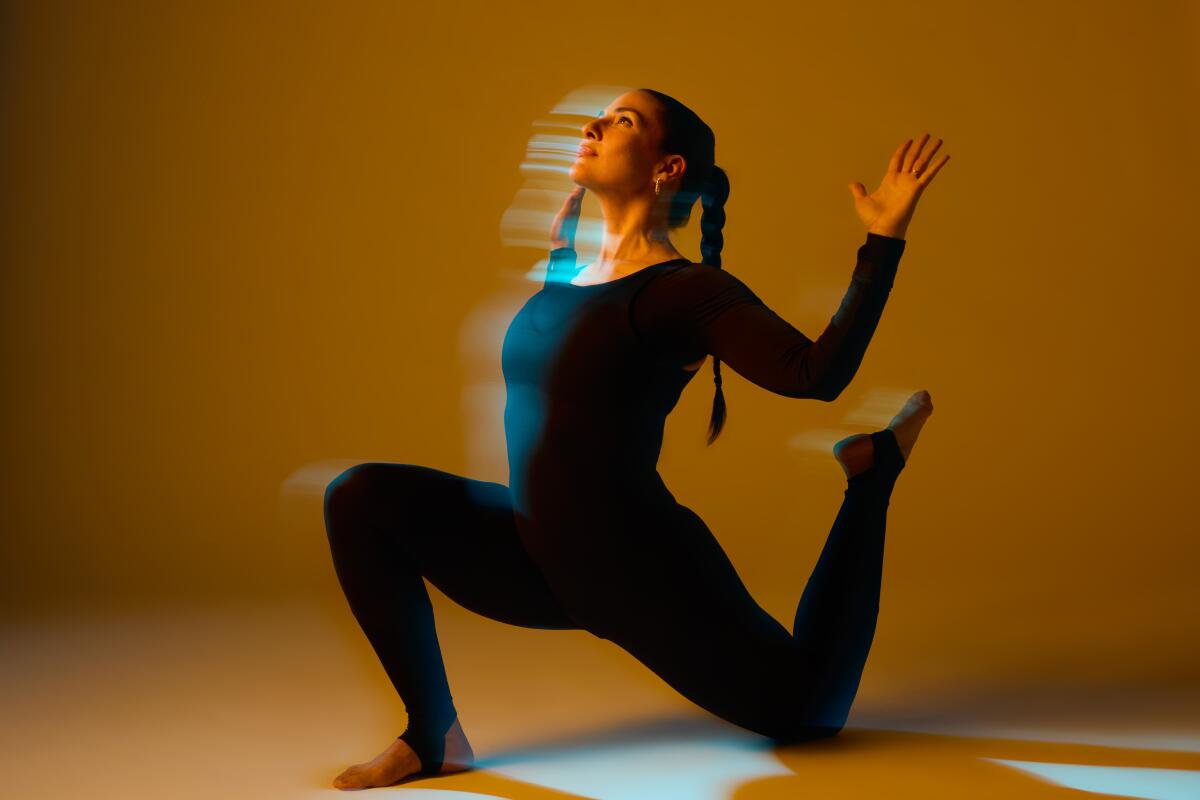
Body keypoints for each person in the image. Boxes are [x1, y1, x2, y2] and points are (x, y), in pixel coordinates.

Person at [323, 88, 948, 789]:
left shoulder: (686, 291)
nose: (592, 124)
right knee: (359, 496)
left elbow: (815, 374)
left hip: (637, 570)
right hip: (536, 555)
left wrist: (883, 240)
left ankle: (872, 476)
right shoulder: (566, 278)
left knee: (809, 714)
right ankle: (432, 734)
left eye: (623, 121)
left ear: (666, 168)